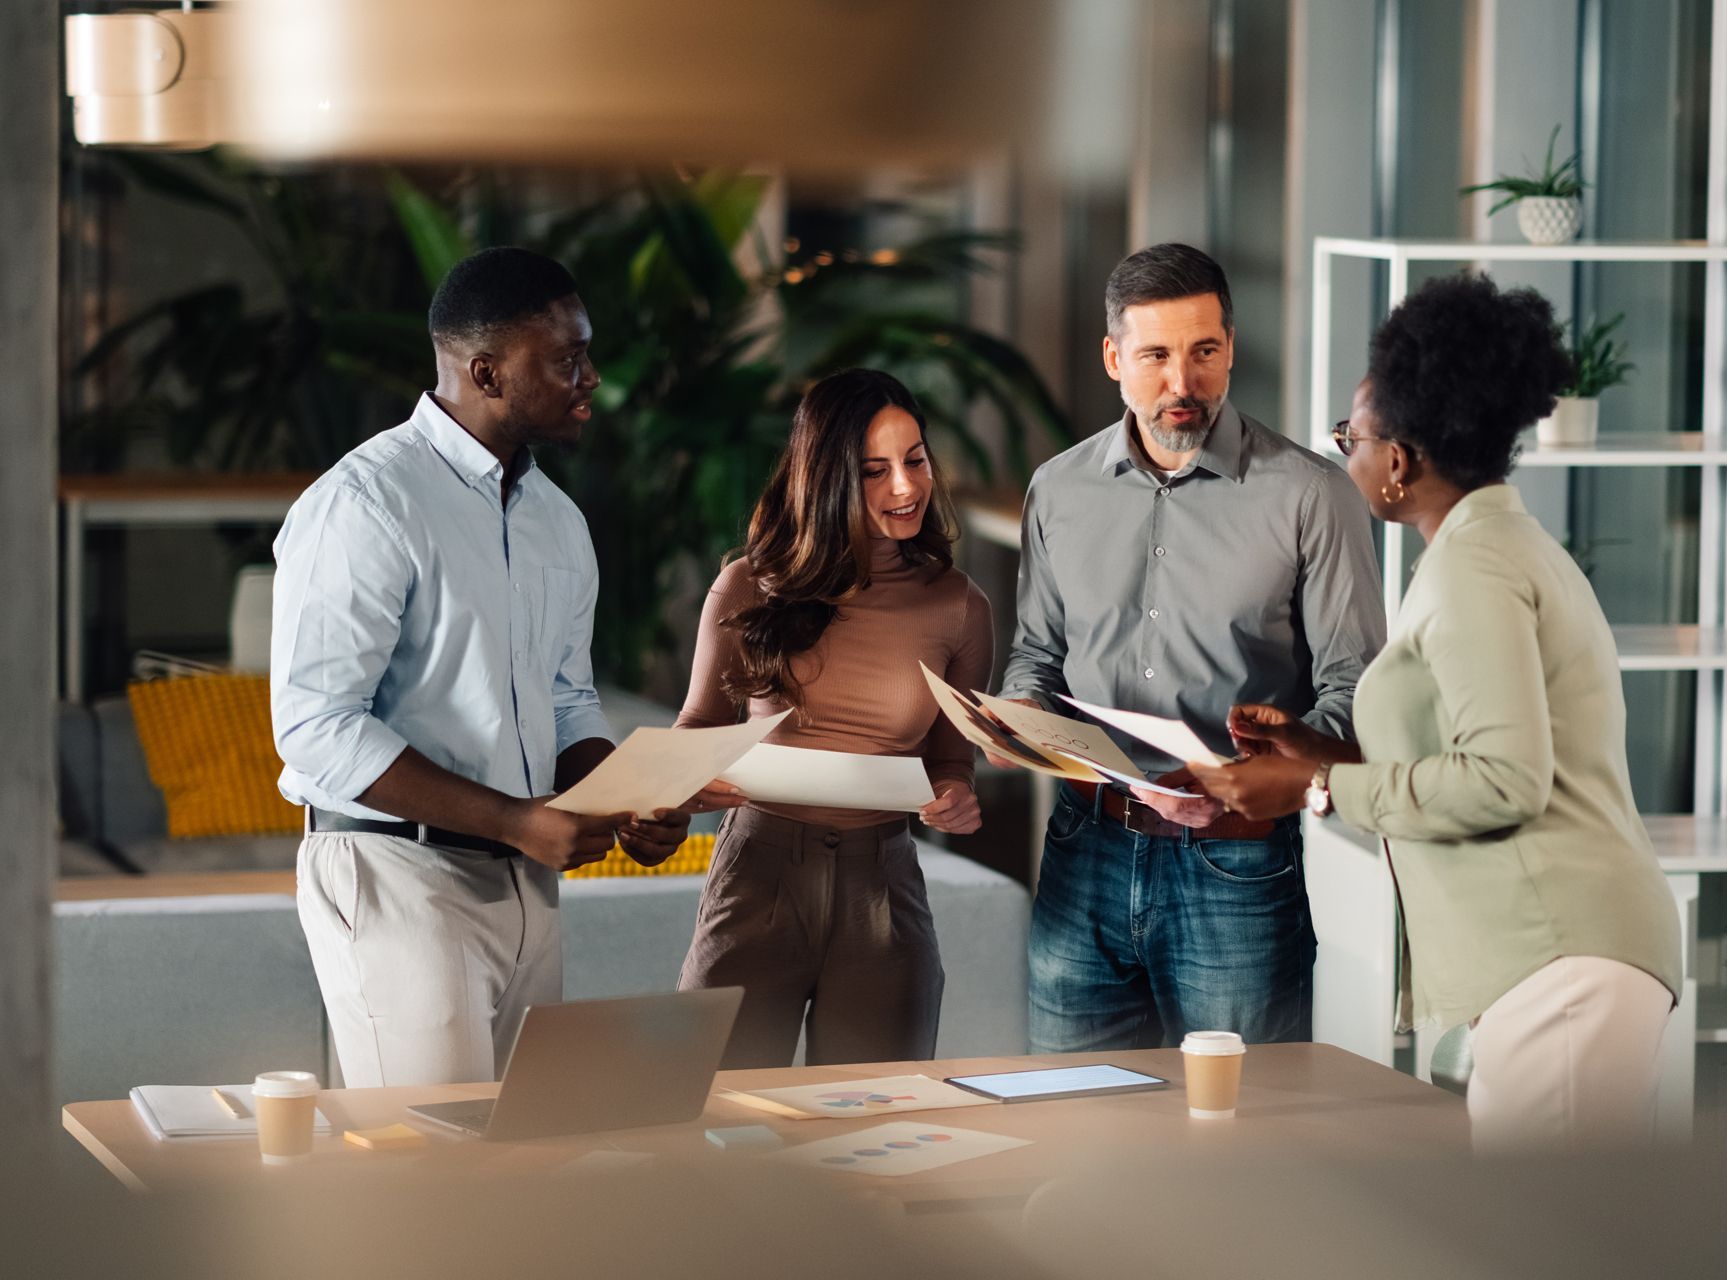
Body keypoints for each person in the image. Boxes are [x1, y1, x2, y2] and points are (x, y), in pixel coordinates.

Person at [1189, 273, 1683, 1151]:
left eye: (1352, 438)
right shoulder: (1492, 548)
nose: (1346, 456)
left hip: (1560, 954)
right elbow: (1470, 747)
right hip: (1558, 957)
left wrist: (1317, 792)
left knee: (1536, 1241)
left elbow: (1505, 780)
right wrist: (1319, 753)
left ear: (1401, 461)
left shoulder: (1473, 571)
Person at [272, 247, 691, 1088]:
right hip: (396, 878)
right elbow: (315, 727)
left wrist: (623, 799)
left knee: (525, 1166)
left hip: (526, 883)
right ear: (488, 371)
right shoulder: (364, 505)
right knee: (433, 1173)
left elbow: (567, 698)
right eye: (568, 358)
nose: (593, 377)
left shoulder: (559, 522)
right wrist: (514, 819)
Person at [997, 243, 1386, 1052]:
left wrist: (1265, 772)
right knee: (1073, 1129)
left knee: (1235, 1140)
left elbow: (1357, 688)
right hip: (1082, 852)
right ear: (1113, 357)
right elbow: (1037, 649)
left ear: (1231, 348)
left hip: (1235, 871)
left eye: (1205, 352)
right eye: (1157, 356)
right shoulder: (1057, 490)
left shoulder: (1313, 496)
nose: (1183, 383)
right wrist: (1020, 716)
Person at [674, 368, 991, 1068]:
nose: (906, 487)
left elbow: (950, 762)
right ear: (824, 480)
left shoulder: (960, 607)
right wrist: (685, 779)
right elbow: (697, 724)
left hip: (883, 884)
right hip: (757, 872)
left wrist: (957, 798)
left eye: (915, 460)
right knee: (708, 1124)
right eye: (874, 471)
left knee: (874, 1136)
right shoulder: (748, 584)